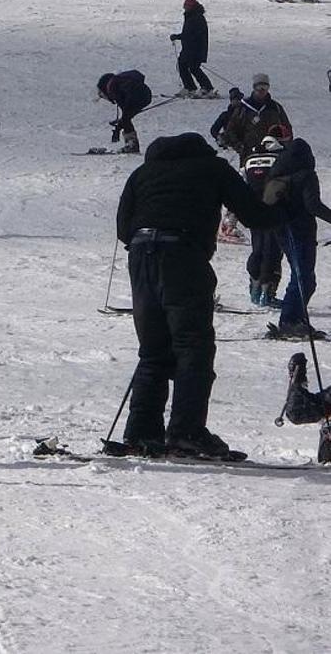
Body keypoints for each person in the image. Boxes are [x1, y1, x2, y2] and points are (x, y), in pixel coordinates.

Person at [115, 133, 285, 457]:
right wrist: (284, 207)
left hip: (140, 256)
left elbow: (124, 228)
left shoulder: (141, 173)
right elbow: (253, 215)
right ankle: (185, 431)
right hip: (182, 255)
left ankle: (140, 432)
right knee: (193, 347)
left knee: (153, 349)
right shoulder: (212, 167)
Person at [263, 137, 331, 339]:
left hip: (282, 230)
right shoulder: (306, 175)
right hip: (300, 231)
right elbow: (313, 205)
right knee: (304, 278)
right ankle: (290, 320)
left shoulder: (276, 174)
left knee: (301, 275)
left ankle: (295, 317)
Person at [242, 132, 287, 306]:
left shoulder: (249, 159)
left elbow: (243, 181)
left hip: (254, 211)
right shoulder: (279, 158)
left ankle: (254, 286)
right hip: (274, 210)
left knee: (258, 247)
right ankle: (268, 292)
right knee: (273, 250)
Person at [222, 73, 292, 161]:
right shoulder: (243, 107)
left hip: (272, 153)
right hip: (248, 153)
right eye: (259, 87)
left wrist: (284, 146)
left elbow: (287, 128)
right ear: (254, 87)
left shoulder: (275, 107)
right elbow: (231, 129)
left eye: (265, 87)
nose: (262, 90)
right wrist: (239, 146)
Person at [169, 0, 215, 98]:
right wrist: (179, 37)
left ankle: (207, 88)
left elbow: (194, 35)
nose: (185, 8)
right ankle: (190, 87)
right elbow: (187, 33)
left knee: (194, 68)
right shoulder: (190, 16)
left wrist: (179, 37)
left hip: (196, 49)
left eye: (187, 6)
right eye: (185, 6)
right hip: (188, 48)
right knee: (182, 66)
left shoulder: (197, 17)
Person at [97, 70, 151, 153]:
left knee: (126, 119)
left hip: (135, 98)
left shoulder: (113, 87)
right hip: (146, 94)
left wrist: (118, 128)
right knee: (126, 118)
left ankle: (132, 145)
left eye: (102, 95)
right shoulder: (118, 81)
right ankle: (132, 144)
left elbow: (126, 112)